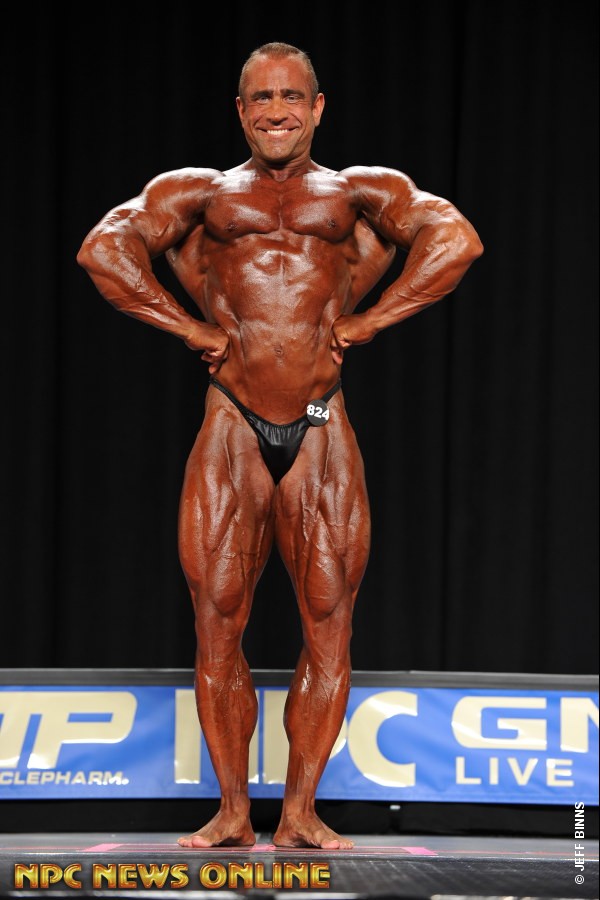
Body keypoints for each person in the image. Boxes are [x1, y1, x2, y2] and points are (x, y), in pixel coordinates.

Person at [77, 41, 483, 850]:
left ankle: (300, 813)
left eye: (291, 96)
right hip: (231, 416)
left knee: (329, 622)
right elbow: (103, 249)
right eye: (261, 98)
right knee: (217, 621)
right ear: (240, 111)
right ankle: (233, 812)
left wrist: (373, 318)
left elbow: (456, 239)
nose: (276, 111)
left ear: (318, 107)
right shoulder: (202, 194)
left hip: (321, 417)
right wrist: (187, 327)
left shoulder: (356, 193)